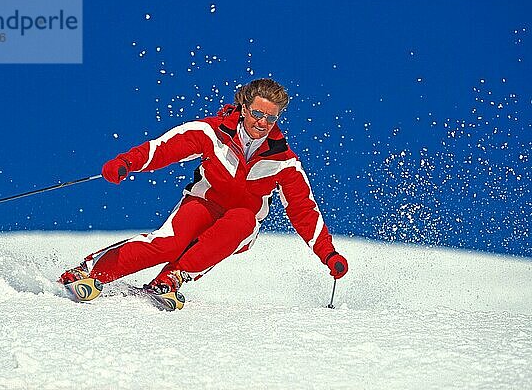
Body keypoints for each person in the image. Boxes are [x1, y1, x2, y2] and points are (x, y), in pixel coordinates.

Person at [60, 78, 348, 309]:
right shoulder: (211, 132)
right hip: (203, 202)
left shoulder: (284, 161)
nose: (262, 123)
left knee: (243, 219)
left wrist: (328, 254)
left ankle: (171, 279)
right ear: (244, 107)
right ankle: (88, 273)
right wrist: (126, 162)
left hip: (240, 222)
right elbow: (165, 148)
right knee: (168, 244)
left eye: (270, 118)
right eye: (258, 113)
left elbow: (303, 210)